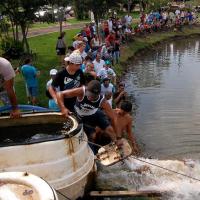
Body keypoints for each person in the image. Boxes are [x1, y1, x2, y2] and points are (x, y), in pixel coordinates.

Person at [56, 80, 121, 147]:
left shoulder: (103, 101)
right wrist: (63, 108)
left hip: (95, 113)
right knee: (91, 136)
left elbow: (113, 117)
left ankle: (117, 144)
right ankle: (91, 149)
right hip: (80, 115)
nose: (90, 98)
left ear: (99, 94)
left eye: (93, 97)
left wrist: (118, 137)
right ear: (86, 90)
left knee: (110, 130)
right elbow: (59, 94)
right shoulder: (81, 91)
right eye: (89, 95)